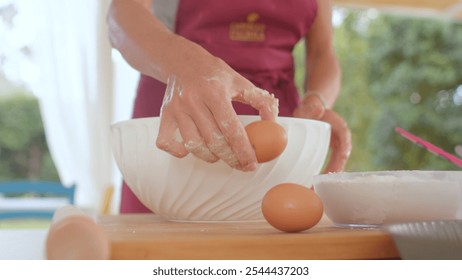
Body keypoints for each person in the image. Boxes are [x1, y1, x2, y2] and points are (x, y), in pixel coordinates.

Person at [107, 0, 352, 213]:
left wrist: (317, 102)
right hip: (180, 107)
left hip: (273, 121)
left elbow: (322, 54)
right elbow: (121, 15)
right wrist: (185, 64)